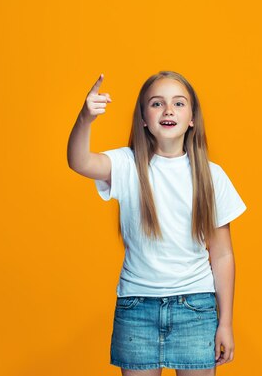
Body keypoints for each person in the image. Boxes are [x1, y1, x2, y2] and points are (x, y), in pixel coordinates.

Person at [67, 70, 247, 376]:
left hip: (196, 308)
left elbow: (222, 254)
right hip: (137, 309)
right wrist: (85, 118)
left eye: (179, 103)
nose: (168, 110)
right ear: (143, 119)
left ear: (192, 118)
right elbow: (79, 160)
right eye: (156, 104)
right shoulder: (126, 164)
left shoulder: (211, 176)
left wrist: (225, 322)